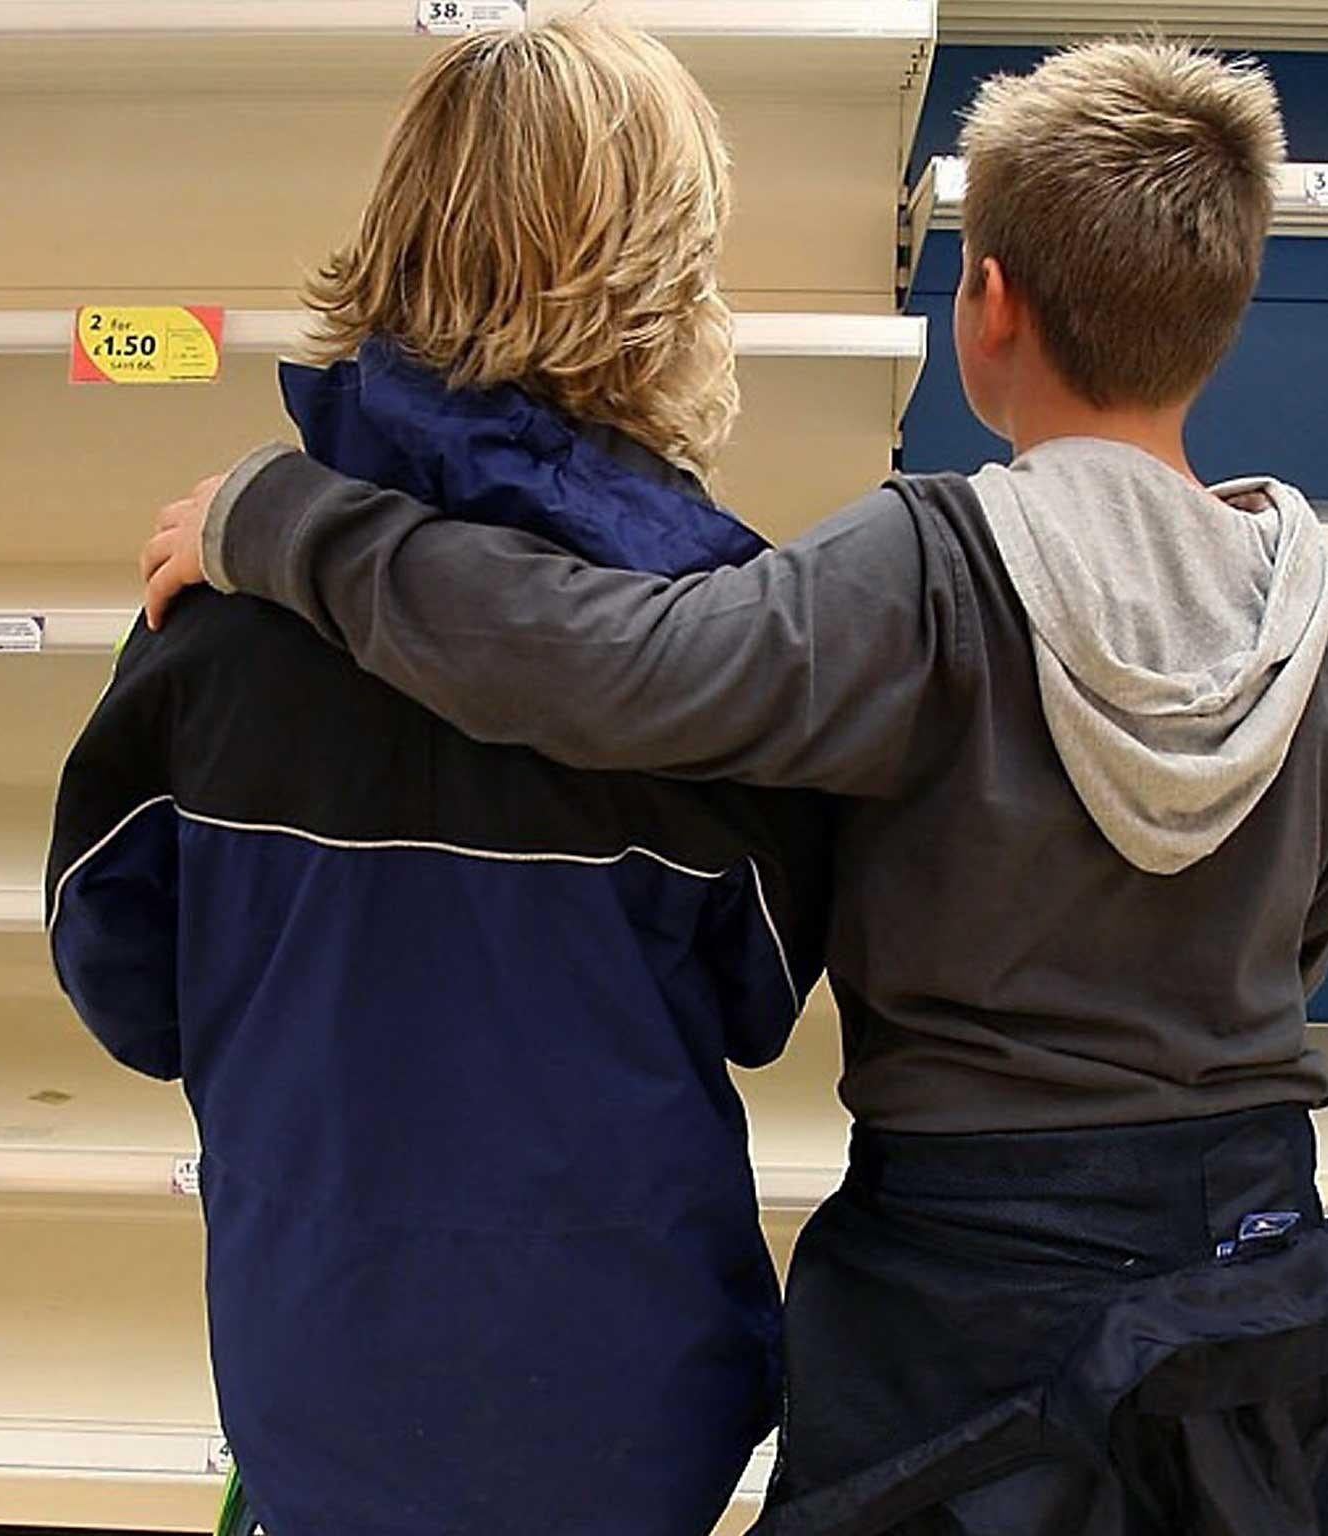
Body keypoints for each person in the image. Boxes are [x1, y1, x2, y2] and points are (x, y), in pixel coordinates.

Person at [141, 39, 1328, 1536]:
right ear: (1223, 311)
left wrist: (288, 521)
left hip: (973, 1303)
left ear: (988, 301)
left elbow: (607, 664)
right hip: (1253, 1282)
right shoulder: (1302, 626)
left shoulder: (929, 570)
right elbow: (1301, 932)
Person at [46, 20, 830, 1536]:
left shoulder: (209, 616)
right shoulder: (711, 661)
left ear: (396, 238)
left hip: (314, 1374)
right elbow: (757, 1001)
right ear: (664, 285)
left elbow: (124, 982)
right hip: (627, 1404)